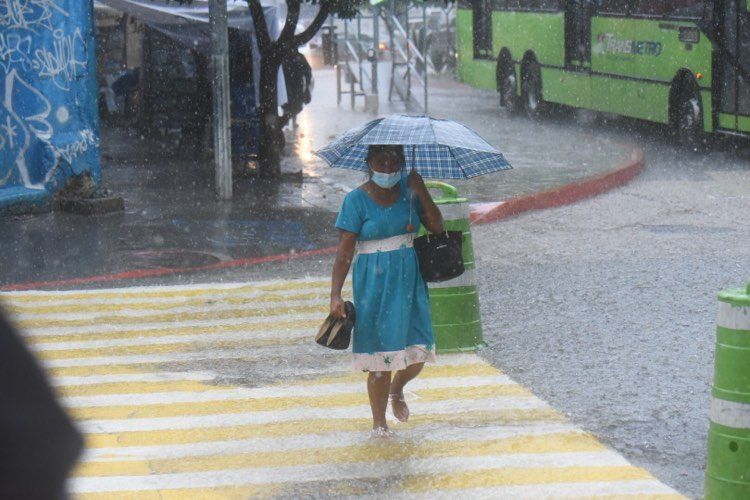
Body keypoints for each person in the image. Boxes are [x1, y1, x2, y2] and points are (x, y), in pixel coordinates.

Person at [329, 144, 444, 436]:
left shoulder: (410, 192)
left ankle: (398, 388)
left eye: (395, 164)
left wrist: (421, 190)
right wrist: (335, 295)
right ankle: (379, 424)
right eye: (381, 163)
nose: (389, 170)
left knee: (418, 351)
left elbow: (437, 227)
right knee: (380, 358)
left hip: (409, 281)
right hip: (374, 284)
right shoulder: (355, 201)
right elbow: (344, 252)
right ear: (369, 163)